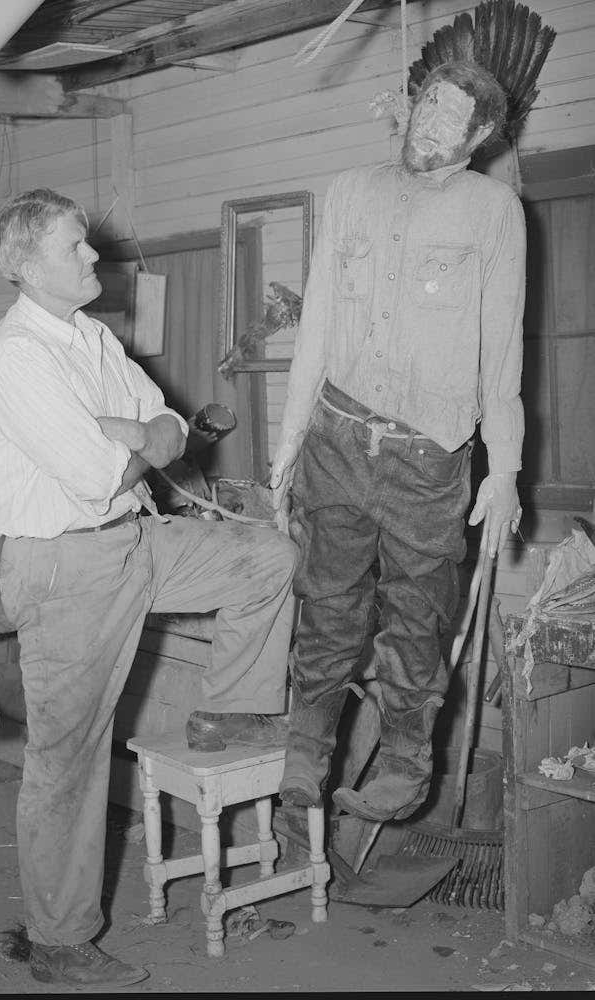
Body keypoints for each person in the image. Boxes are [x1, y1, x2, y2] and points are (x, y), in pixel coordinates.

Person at [0, 188, 296, 988]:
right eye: (76, 247)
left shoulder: (91, 338)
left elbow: (171, 432)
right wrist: (136, 439)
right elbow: (104, 469)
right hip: (64, 564)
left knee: (267, 558)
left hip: (133, 538)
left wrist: (137, 435)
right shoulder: (16, 354)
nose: (93, 258)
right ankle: (59, 940)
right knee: (70, 757)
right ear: (25, 265)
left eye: (89, 244)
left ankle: (225, 710)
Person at [269, 8, 554, 829]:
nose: (429, 123)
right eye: (424, 104)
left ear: (480, 138)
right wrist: (288, 446)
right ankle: (305, 756)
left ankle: (403, 764)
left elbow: (504, 355)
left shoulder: (494, 213)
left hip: (429, 457)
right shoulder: (350, 192)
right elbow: (316, 325)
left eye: (449, 116)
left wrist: (503, 473)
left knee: (418, 617)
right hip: (335, 435)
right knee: (325, 603)